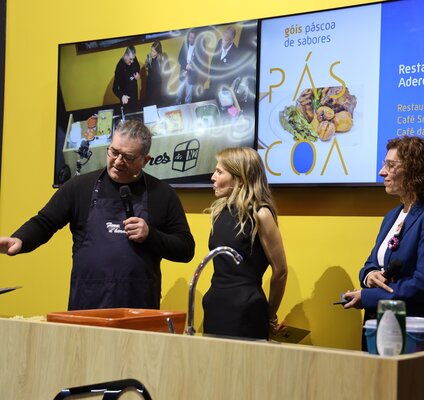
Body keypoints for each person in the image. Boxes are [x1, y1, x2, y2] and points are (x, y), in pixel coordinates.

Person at [0, 120, 195, 310]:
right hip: (86, 307)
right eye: (114, 152)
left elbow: (186, 249)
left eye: (128, 157)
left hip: (139, 311)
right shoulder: (79, 187)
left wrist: (150, 235)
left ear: (145, 160)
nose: (118, 161)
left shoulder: (162, 194)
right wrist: (20, 239)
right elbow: (45, 222)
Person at [343, 137, 424, 348]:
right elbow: (371, 263)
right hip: (378, 325)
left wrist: (368, 297)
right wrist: (369, 276)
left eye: (390, 165)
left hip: (411, 329)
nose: (381, 172)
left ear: (414, 169)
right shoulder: (392, 216)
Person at [202, 147, 287, 340]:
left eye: (219, 172)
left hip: (247, 310)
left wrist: (270, 315)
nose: (213, 177)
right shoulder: (220, 212)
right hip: (215, 306)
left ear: (239, 178)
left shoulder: (261, 214)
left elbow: (281, 271)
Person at [176, 29, 202, 104]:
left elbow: (200, 64)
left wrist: (192, 67)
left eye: (192, 37)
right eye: (189, 37)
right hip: (183, 73)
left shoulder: (199, 48)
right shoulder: (185, 43)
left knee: (188, 98)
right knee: (178, 95)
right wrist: (186, 66)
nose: (189, 39)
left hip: (192, 76)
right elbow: (180, 58)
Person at [112, 46, 141, 113]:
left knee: (135, 113)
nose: (132, 61)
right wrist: (122, 96)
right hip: (126, 98)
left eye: (133, 59)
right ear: (125, 55)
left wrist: (138, 73)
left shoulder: (133, 59)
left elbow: (137, 67)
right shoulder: (119, 67)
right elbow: (114, 88)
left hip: (134, 94)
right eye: (130, 59)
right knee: (128, 115)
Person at [143, 41, 170, 107]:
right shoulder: (149, 56)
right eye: (151, 50)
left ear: (158, 52)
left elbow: (165, 70)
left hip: (157, 82)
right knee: (149, 100)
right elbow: (146, 67)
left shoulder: (161, 58)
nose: (152, 53)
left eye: (154, 52)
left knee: (156, 100)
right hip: (150, 82)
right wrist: (147, 64)